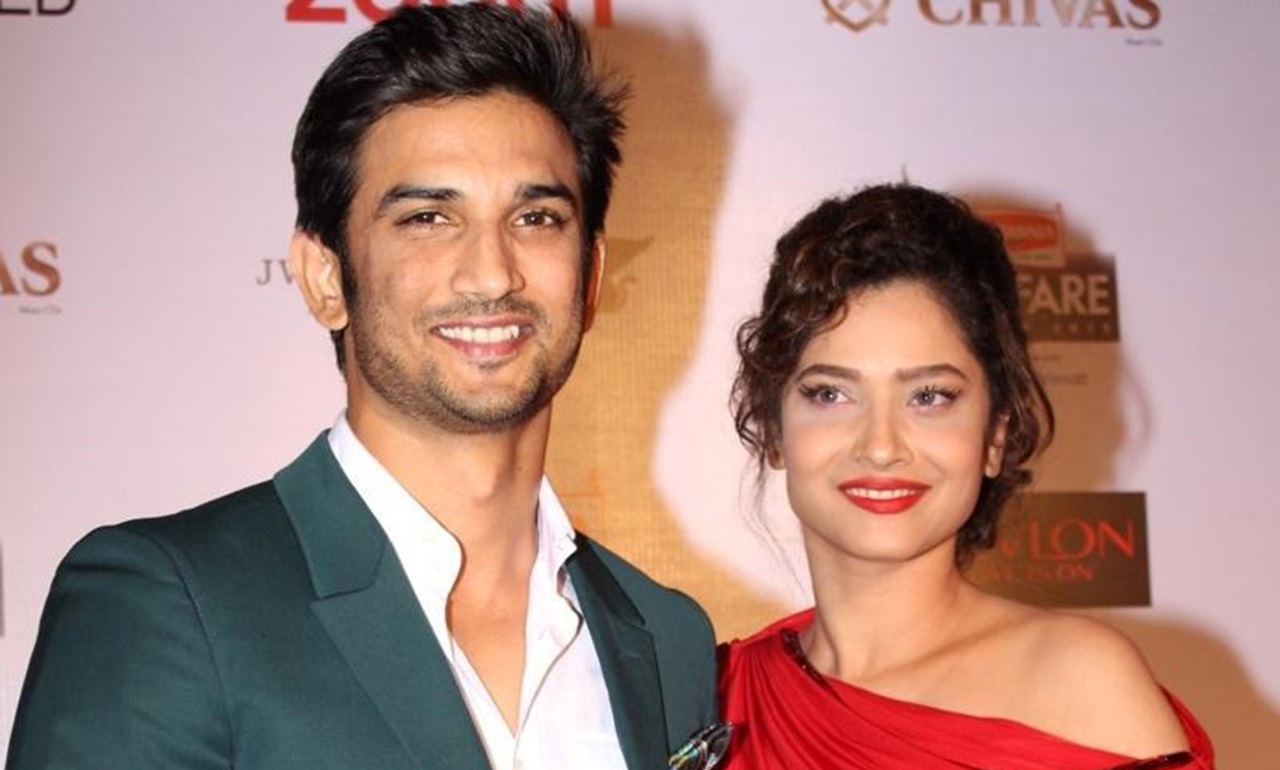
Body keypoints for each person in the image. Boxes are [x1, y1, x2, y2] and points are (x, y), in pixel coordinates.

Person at [5, 6, 717, 770]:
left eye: (536, 217)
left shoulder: (664, 636)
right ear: (324, 278)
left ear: (592, 276)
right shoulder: (169, 603)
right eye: (428, 218)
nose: (491, 273)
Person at [718, 183, 1214, 769]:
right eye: (831, 394)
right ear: (773, 428)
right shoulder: (715, 702)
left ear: (996, 434)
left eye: (929, 396)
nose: (881, 446)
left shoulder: (1079, 685)